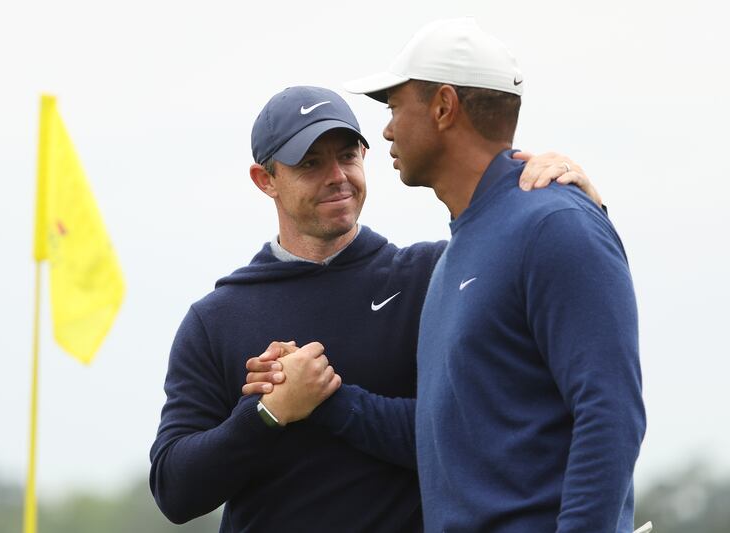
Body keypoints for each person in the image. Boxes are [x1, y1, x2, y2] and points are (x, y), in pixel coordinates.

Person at [149, 84, 602, 532]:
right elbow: (175, 492)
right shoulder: (217, 319)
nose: (337, 176)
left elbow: (475, 434)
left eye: (347, 156)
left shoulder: (433, 276)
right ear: (264, 179)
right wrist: (268, 413)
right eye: (310, 163)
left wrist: (583, 205)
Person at [339, 17, 646, 532]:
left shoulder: (555, 224)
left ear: (443, 106)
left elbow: (610, 413)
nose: (387, 129)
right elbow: (450, 433)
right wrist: (329, 401)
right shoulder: (464, 248)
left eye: (393, 107)